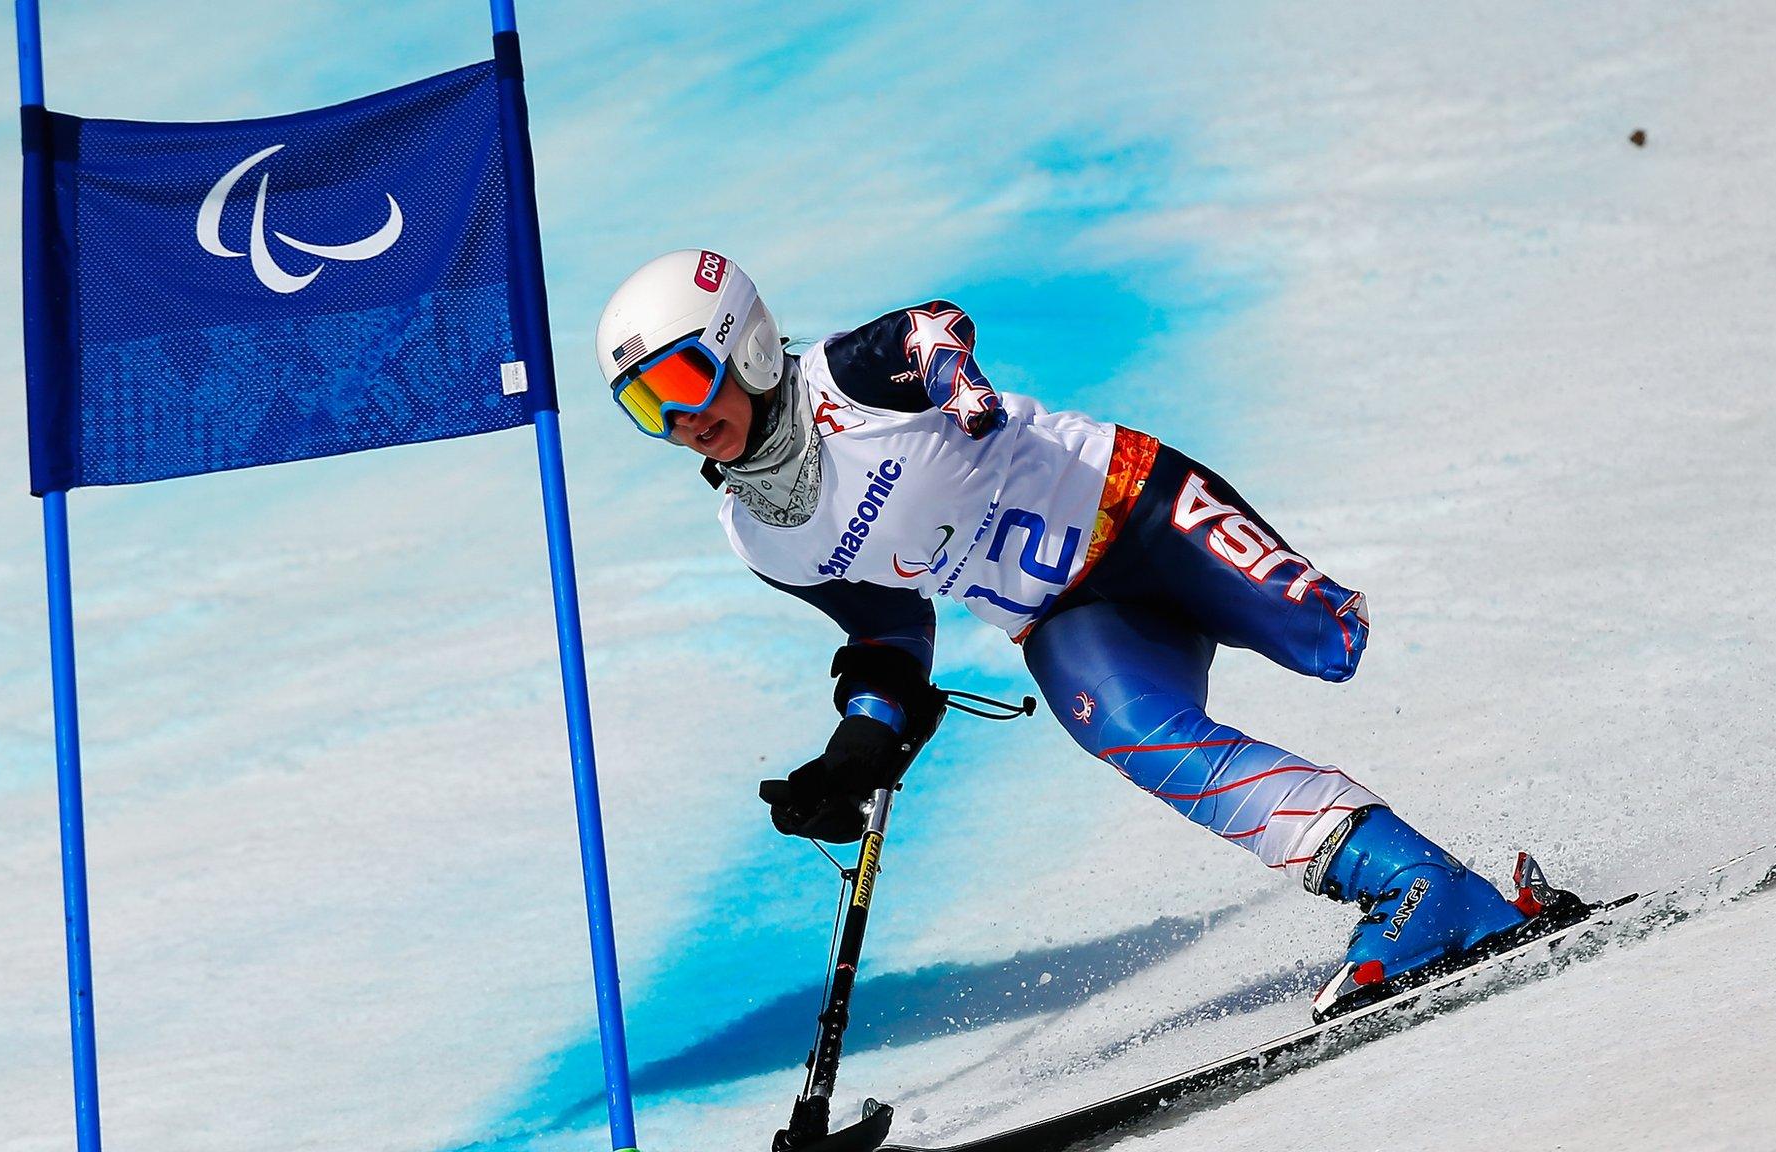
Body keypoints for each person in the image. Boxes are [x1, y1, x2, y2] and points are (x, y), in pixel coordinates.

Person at [592, 249, 1573, 1019]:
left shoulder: (842, 382)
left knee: (1328, 640)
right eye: (643, 405)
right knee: (1133, 732)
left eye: (683, 377)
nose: (677, 418)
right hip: (1067, 618)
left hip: (1137, 510)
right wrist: (852, 753)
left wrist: (954, 378)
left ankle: (1473, 877)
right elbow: (890, 635)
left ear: (747, 345)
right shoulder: (761, 534)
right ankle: (1418, 890)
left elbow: (926, 326)